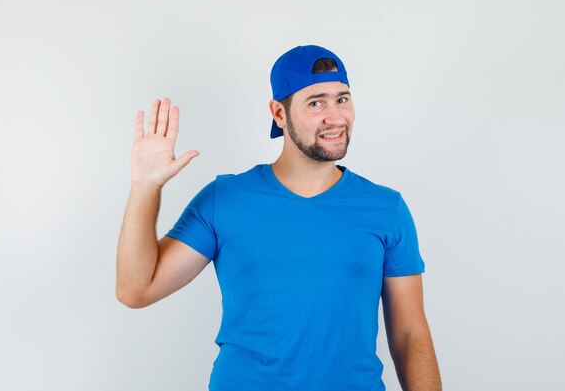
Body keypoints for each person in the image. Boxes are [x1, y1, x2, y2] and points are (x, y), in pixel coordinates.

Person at [116, 45, 442, 391]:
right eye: (316, 103)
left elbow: (409, 335)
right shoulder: (224, 200)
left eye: (342, 99)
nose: (335, 117)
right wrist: (145, 187)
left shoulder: (385, 208)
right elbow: (137, 290)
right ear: (279, 113)